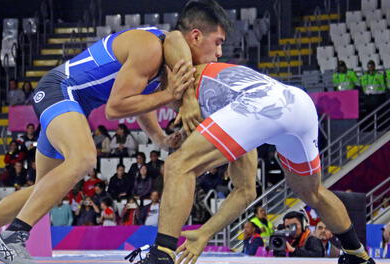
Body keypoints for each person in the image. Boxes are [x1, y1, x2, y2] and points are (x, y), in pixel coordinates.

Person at [0, 0, 227, 261]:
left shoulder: (164, 64)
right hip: (60, 90)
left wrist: (160, 137)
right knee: (83, 159)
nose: (219, 53)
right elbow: (115, 109)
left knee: (42, 192)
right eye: (218, 43)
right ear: (195, 36)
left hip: (72, 103)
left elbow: (139, 104)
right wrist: (168, 96)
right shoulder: (150, 46)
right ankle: (11, 239)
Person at [130, 32, 375, 264]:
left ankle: (162, 253)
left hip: (262, 104)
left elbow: (172, 38)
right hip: (297, 104)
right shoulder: (233, 118)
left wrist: (174, 116)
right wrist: (205, 233)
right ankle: (358, 255)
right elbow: (246, 191)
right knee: (313, 192)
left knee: (178, 163)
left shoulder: (185, 76)